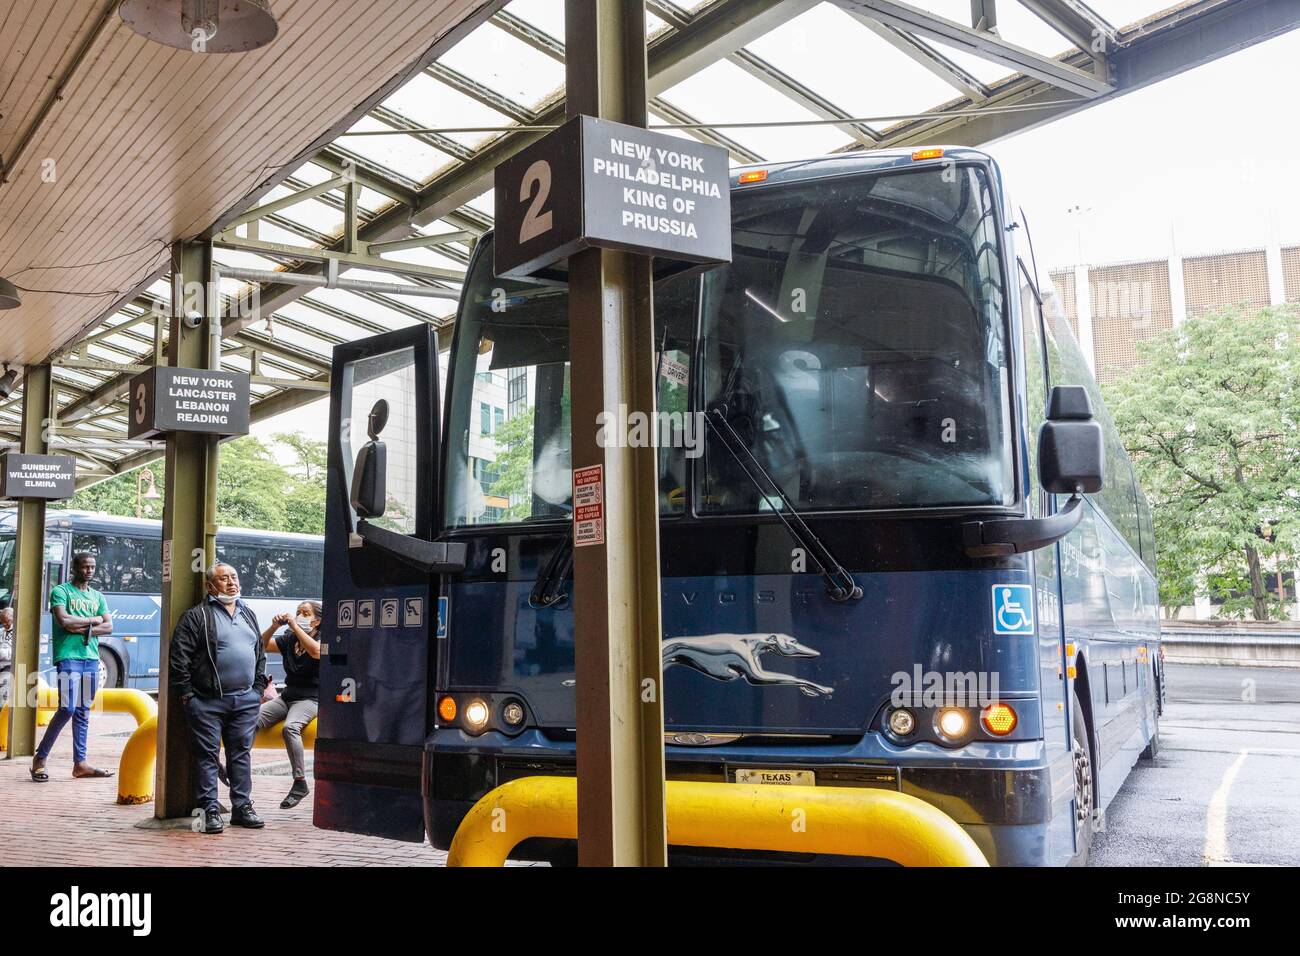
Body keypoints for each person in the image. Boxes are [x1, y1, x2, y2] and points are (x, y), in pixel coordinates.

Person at [169, 562, 267, 834]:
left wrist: (257, 689)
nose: (231, 582)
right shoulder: (196, 616)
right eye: (224, 579)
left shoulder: (248, 613)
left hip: (245, 700)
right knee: (207, 756)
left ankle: (242, 807)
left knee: (241, 755)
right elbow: (179, 659)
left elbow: (259, 653)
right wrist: (189, 695)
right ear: (210, 586)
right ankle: (210, 810)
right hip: (206, 701)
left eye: (234, 577)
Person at [30, 553, 115, 782]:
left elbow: (109, 626)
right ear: (75, 568)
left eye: (92, 567)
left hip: (91, 658)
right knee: (67, 708)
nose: (89, 571)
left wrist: (85, 627)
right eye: (85, 567)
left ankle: (80, 764)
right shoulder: (61, 591)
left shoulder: (98, 596)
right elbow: (63, 621)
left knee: (83, 711)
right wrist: (93, 621)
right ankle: (40, 758)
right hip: (68, 657)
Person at [257, 601, 321, 808]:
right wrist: (274, 627)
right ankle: (232, 768)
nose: (300, 616)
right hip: (287, 697)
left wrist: (294, 626)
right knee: (248, 718)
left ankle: (300, 782)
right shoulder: (290, 639)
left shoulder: (324, 639)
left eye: (306, 613)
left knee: (290, 728)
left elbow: (316, 652)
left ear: (317, 620)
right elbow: (262, 645)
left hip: (311, 698)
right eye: (298, 612)